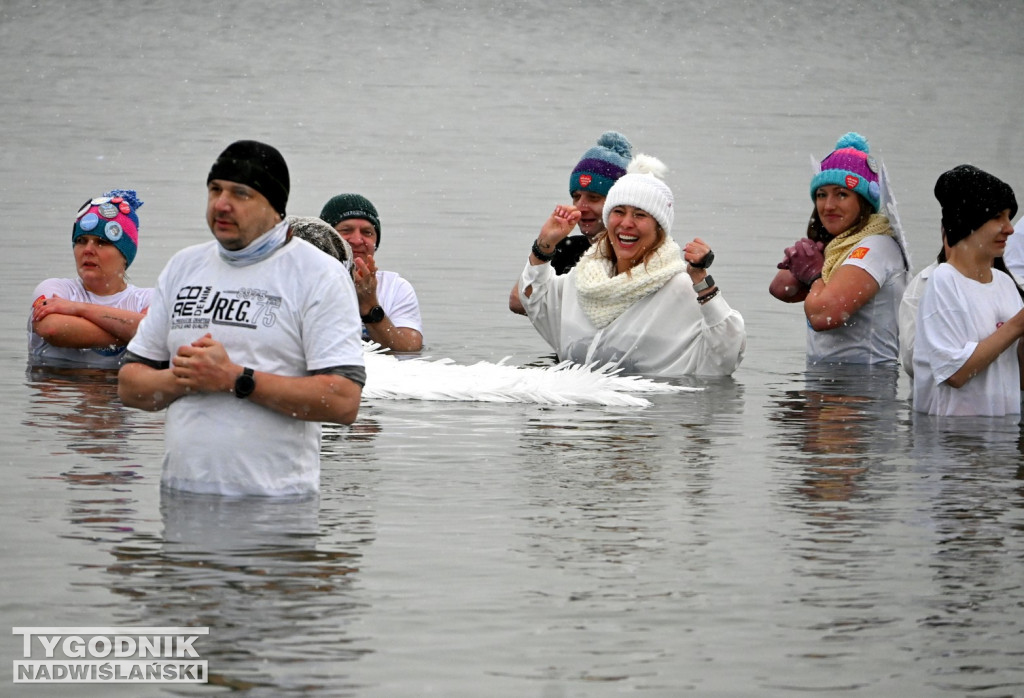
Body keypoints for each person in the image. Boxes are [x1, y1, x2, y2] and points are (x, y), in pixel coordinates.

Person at [118, 140, 366, 496]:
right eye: (215, 189)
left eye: (240, 193)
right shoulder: (184, 267)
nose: (221, 204)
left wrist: (235, 379)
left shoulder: (318, 275)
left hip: (274, 506)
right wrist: (183, 381)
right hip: (181, 501)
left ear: (275, 207)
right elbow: (130, 386)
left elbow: (343, 402)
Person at [517, 154, 746, 377]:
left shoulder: (681, 287)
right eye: (618, 212)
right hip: (578, 411)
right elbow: (534, 299)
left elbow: (727, 353)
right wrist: (544, 244)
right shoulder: (583, 279)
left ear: (660, 228)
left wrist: (702, 281)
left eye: (639, 215)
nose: (626, 223)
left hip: (649, 411)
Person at [769, 132, 909, 364]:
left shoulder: (876, 246)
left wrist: (814, 273)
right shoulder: (839, 244)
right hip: (825, 384)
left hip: (865, 388)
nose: (829, 206)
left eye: (842, 194)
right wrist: (813, 248)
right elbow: (781, 288)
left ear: (864, 201)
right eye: (822, 195)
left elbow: (823, 314)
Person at [913, 164, 1024, 416]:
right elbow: (955, 373)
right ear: (967, 222)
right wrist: (1018, 325)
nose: (1010, 228)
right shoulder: (943, 280)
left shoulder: (1006, 283)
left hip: (1000, 439)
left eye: (1009, 217)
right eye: (998, 217)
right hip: (953, 441)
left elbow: (1021, 381)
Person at [509, 131, 632, 315]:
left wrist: (558, 296)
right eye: (576, 197)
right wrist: (545, 243)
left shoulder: (637, 250)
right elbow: (518, 301)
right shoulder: (569, 248)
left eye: (594, 198)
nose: (581, 207)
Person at [29, 189, 152, 368]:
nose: (88, 250)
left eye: (102, 242)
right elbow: (52, 328)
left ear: (125, 255)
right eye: (81, 240)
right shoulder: (55, 289)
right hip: (63, 394)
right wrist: (132, 332)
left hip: (117, 393)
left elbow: (152, 331)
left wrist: (78, 308)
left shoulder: (147, 298)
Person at [319, 193, 423, 352]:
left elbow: (409, 349)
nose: (357, 240)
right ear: (325, 238)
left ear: (375, 242)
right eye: (346, 230)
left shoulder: (396, 288)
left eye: (367, 232)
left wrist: (370, 305)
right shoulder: (304, 281)